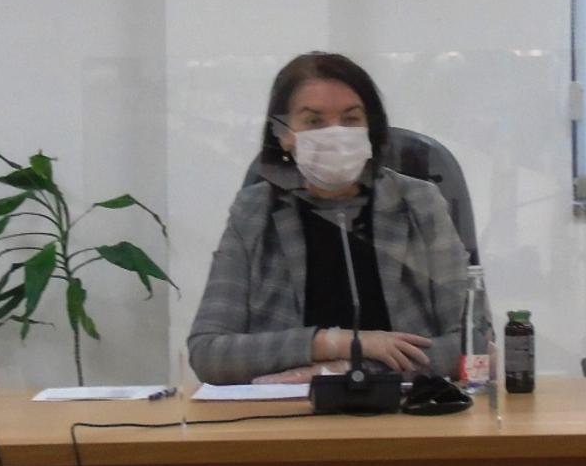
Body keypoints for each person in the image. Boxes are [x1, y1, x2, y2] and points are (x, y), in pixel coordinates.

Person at [187, 52, 470, 386]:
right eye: (314, 122)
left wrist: (343, 371)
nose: (335, 134)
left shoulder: (419, 203)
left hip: (402, 409)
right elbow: (209, 353)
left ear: (370, 129)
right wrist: (334, 343)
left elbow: (473, 343)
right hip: (285, 414)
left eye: (350, 120)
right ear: (283, 135)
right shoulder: (254, 211)